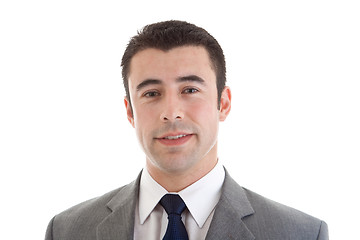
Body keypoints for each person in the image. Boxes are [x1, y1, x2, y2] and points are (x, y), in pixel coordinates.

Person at [45, 20, 328, 240]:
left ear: (223, 103)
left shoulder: (300, 233)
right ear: (130, 111)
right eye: (152, 93)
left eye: (190, 89)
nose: (171, 112)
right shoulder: (67, 230)